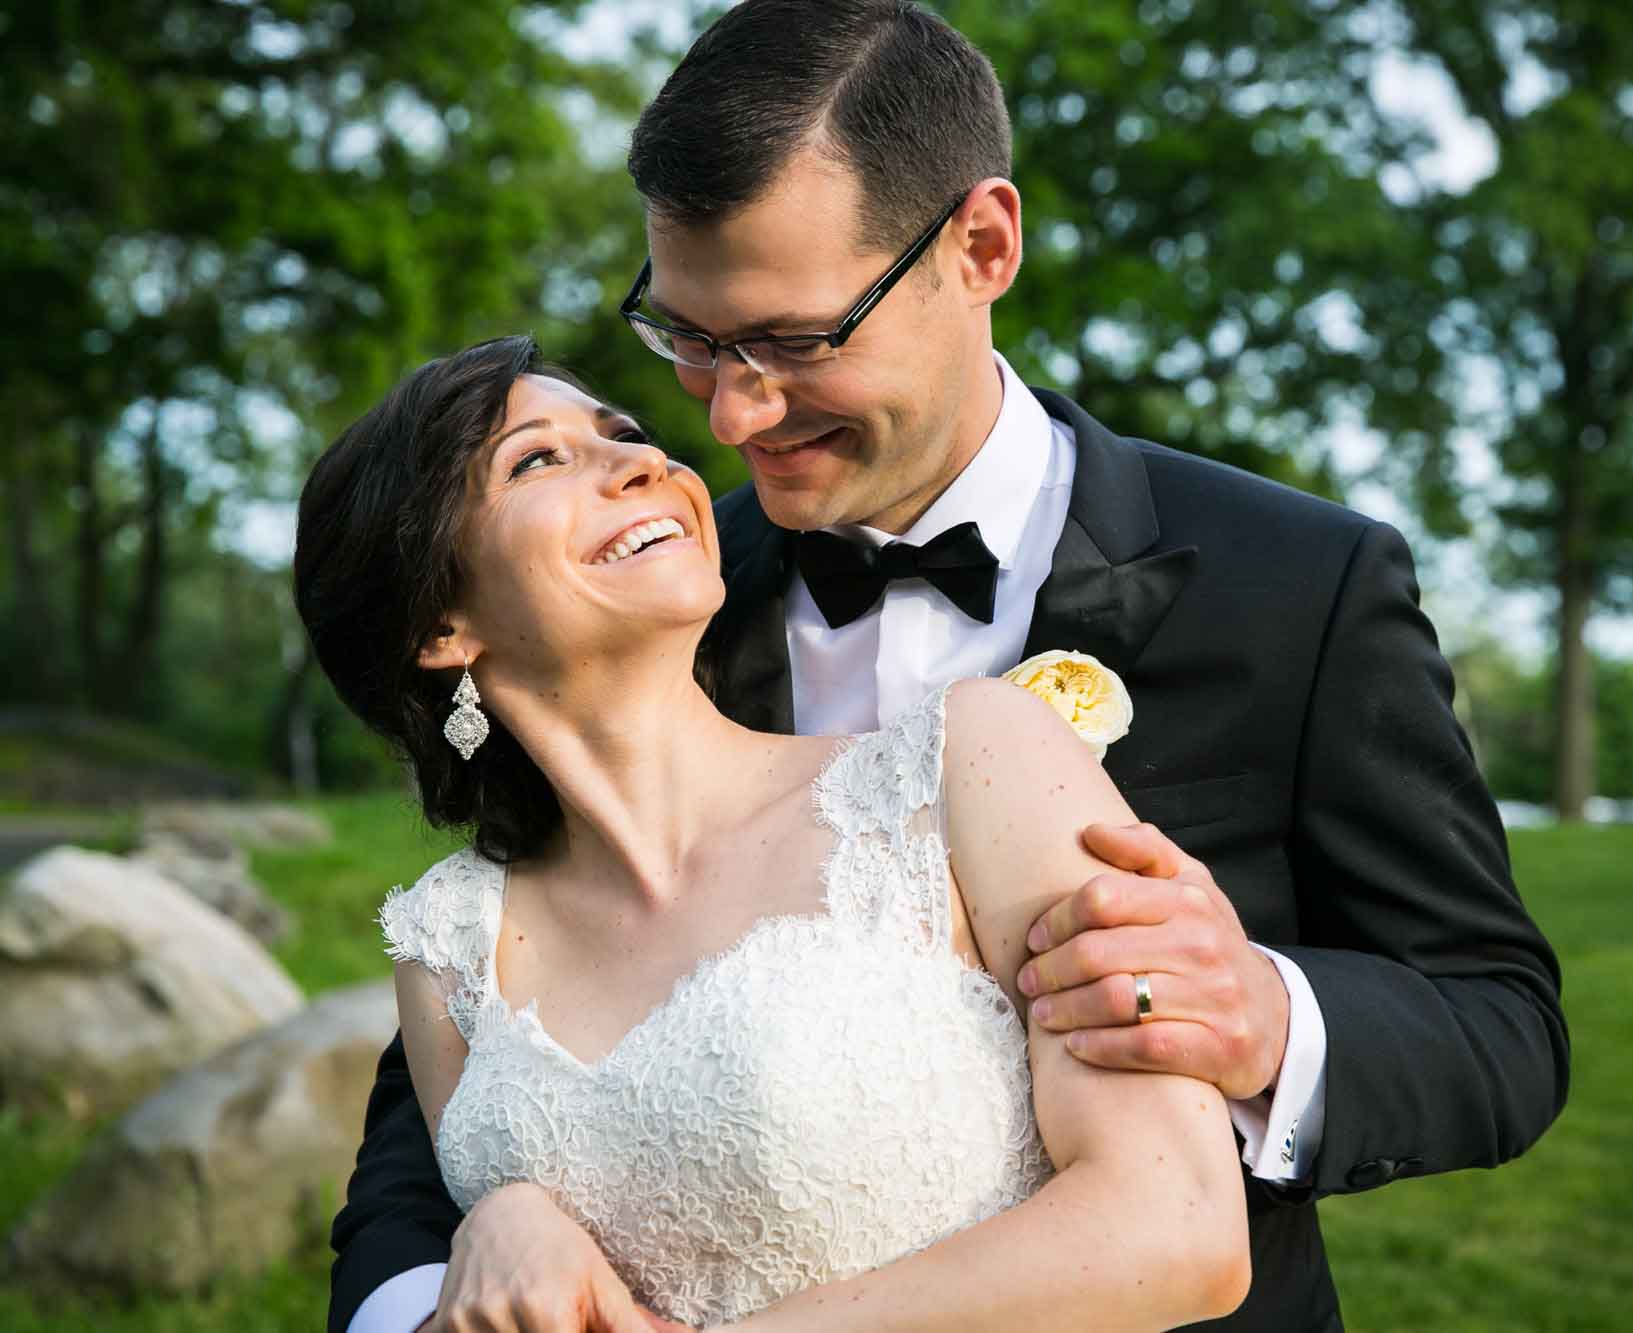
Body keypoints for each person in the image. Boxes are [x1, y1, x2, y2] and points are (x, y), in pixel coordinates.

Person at [326, 3, 1569, 1331]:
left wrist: (1266, 1015)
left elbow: (1500, 1022)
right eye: (687, 335)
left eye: (795, 342)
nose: (730, 413)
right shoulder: (654, 603)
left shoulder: (1296, 587)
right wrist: (479, 1243)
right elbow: (465, 1114)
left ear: (981, 246)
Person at [297, 333, 1255, 1333]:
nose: (645, 462)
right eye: (537, 458)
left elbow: (1176, 1226)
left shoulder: (968, 765)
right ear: (439, 625)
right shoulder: (449, 946)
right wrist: (505, 1215)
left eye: (622, 434)